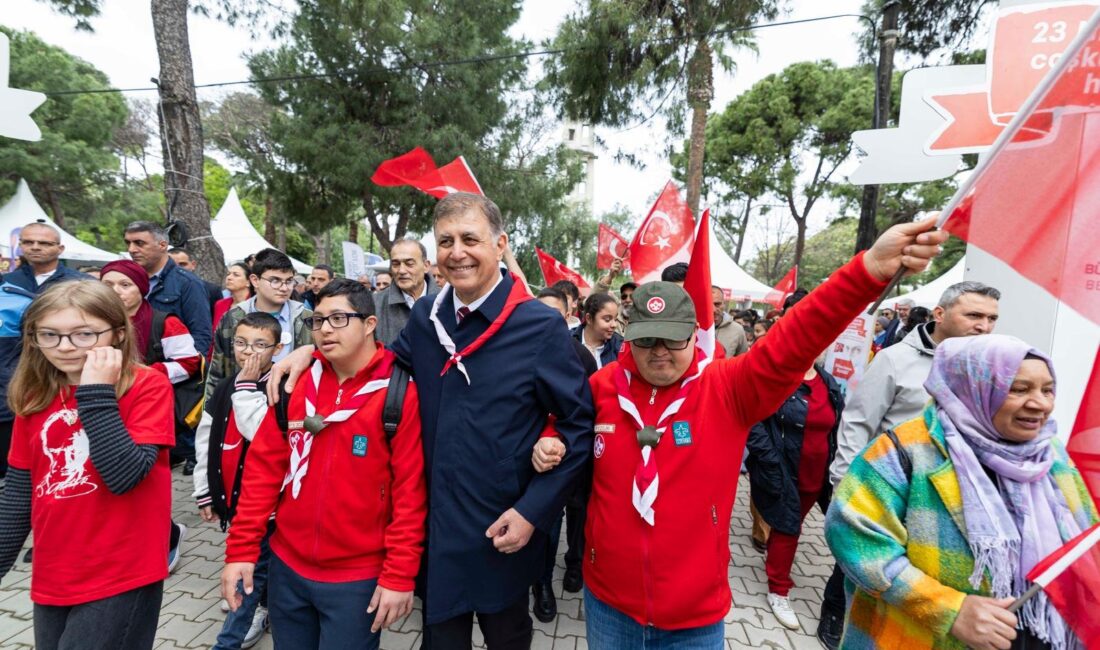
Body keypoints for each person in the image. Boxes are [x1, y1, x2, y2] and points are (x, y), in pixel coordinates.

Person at [532, 217, 947, 647]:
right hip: (609, 606)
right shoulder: (601, 388)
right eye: (646, 339)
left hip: (693, 617)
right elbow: (560, 418)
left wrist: (868, 270)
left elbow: (796, 337)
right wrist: (550, 434)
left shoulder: (728, 388)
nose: (658, 351)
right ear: (627, 336)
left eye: (672, 339)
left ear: (694, 334)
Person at [270, 193, 594, 648]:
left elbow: (577, 426)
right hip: (436, 530)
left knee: (507, 639)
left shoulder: (538, 326)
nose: (456, 252)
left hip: (502, 527)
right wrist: (312, 350)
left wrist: (532, 512)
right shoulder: (427, 316)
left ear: (500, 245)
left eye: (469, 239)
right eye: (445, 241)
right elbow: (379, 365)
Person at [826, 335, 1097, 650]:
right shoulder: (905, 451)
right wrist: (949, 610)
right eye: (1019, 389)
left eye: (1047, 389)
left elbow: (1085, 542)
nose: (1040, 403)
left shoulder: (1052, 456)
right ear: (973, 388)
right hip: (917, 638)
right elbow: (855, 540)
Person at [222, 279, 427, 649]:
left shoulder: (398, 393)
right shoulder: (294, 384)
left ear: (368, 324)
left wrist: (399, 574)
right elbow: (262, 473)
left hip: (357, 578)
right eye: (317, 321)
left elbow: (410, 493)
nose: (325, 329)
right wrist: (241, 550)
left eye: (338, 318)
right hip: (288, 567)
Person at [821, 281, 1000, 649]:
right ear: (940, 314)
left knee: (919, 572)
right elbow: (859, 420)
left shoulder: (985, 368)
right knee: (864, 560)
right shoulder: (895, 359)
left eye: (991, 318)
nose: (984, 326)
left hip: (948, 496)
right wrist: (844, 481)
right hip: (890, 486)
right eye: (974, 315)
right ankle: (836, 617)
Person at [0, 281, 175, 650]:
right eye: (50, 334)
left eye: (84, 334)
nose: (65, 347)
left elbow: (124, 476)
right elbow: (19, 489)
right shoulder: (36, 393)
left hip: (121, 572)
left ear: (116, 332)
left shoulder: (147, 386)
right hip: (54, 570)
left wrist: (94, 392)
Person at [194, 312, 286, 650]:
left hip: (273, 502)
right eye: (242, 344)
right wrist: (206, 491)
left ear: (276, 349)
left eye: (260, 345)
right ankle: (261, 612)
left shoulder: (283, 385)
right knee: (255, 564)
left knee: (259, 569)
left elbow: (261, 434)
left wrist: (248, 388)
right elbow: (207, 437)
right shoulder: (222, 387)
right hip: (238, 501)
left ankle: (228, 640)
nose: (249, 353)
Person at [746, 356, 844, 630]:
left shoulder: (827, 381)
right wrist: (770, 460)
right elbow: (753, 422)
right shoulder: (777, 378)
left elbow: (838, 424)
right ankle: (778, 590)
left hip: (821, 472)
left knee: (795, 526)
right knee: (788, 528)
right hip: (786, 470)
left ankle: (777, 563)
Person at [532, 287, 598, 623]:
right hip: (523, 456)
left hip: (565, 455)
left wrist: (557, 440)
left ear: (568, 317)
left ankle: (563, 571)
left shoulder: (581, 357)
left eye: (554, 316)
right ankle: (536, 582)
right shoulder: (515, 349)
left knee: (565, 517)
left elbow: (583, 412)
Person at [207, 249, 312, 402]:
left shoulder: (306, 318)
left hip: (292, 402)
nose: (284, 288)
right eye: (275, 280)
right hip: (239, 402)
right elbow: (217, 373)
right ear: (255, 280)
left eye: (289, 281)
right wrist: (210, 417)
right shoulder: (233, 318)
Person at [123, 221, 213, 355]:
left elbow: (201, 334)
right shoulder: (125, 280)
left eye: (139, 243)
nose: (131, 249)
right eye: (128, 243)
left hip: (169, 369)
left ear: (162, 245)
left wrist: (182, 369)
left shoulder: (188, 283)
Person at [374, 238, 440, 345]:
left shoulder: (447, 300)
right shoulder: (375, 304)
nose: (401, 270)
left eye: (409, 263)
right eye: (396, 264)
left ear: (426, 266)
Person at [3, 221, 88, 294]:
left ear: (60, 249)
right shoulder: (6, 280)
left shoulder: (82, 282)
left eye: (44, 243)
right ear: (20, 246)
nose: (35, 247)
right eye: (28, 242)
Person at [574, 293, 624, 369]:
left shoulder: (620, 345)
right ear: (589, 318)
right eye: (607, 319)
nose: (614, 325)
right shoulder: (568, 340)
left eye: (615, 319)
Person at [170, 247, 224, 317]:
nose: (177, 268)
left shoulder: (212, 290)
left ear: (193, 265)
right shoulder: (154, 287)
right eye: (172, 265)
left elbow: (217, 321)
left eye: (182, 264)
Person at [214, 262, 254, 337]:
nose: (229, 278)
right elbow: (214, 334)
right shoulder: (220, 304)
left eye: (236, 275)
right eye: (228, 274)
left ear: (248, 282)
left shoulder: (255, 304)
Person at [713, 286, 748, 357]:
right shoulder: (693, 328)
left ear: (724, 304)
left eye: (717, 304)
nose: (713, 309)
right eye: (708, 304)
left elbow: (741, 361)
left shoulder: (737, 330)